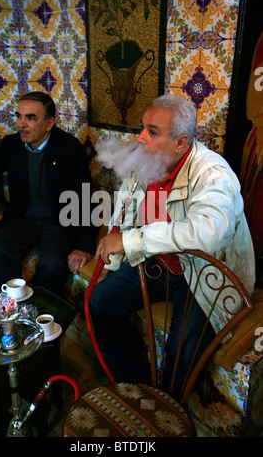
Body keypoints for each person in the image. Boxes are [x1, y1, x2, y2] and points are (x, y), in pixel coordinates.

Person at [89, 94, 255, 392]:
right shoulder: (147, 163)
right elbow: (123, 213)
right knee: (100, 302)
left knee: (182, 347)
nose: (141, 138)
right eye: (143, 128)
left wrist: (130, 241)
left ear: (181, 142)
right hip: (159, 262)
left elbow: (208, 233)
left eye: (152, 132)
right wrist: (110, 263)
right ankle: (137, 386)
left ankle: (169, 406)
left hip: (207, 274)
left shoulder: (212, 173)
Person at [0, 91, 96, 296]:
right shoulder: (12, 145)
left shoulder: (69, 148)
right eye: (18, 116)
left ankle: (42, 313)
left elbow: (84, 196)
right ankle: (14, 307)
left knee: (52, 264)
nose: (21, 124)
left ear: (49, 123)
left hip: (58, 220)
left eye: (30, 118)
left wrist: (85, 246)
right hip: (23, 219)